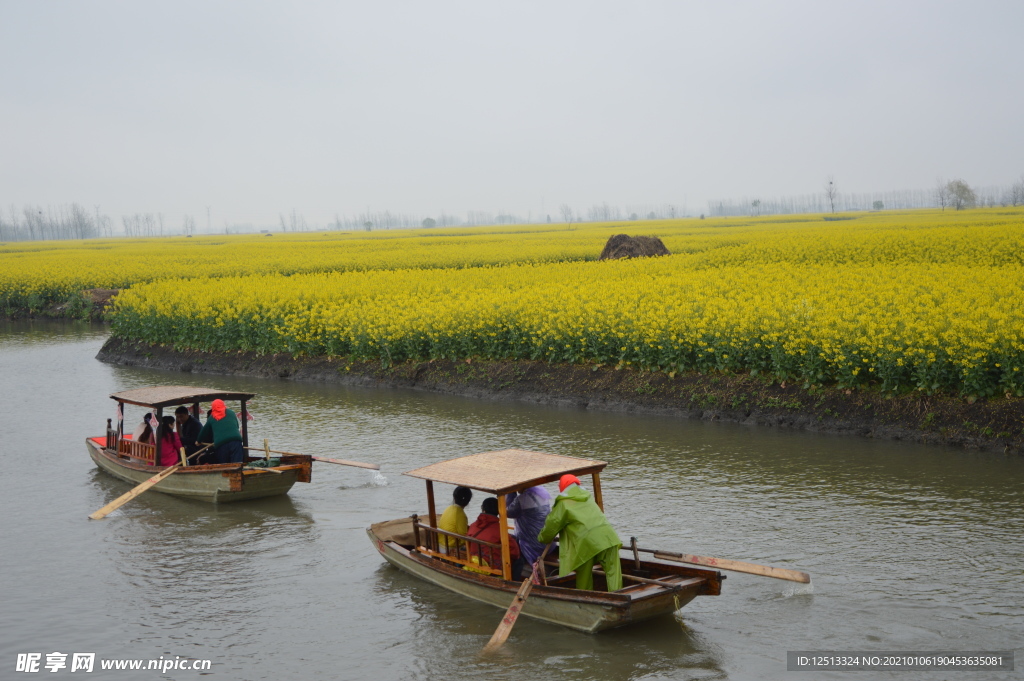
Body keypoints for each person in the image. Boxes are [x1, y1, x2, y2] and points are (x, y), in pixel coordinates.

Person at [537, 474, 622, 592]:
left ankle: (585, 596)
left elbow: (551, 526)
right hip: (608, 537)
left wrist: (542, 538)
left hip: (586, 542)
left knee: (584, 575)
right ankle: (619, 596)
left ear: (562, 487)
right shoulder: (588, 497)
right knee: (613, 573)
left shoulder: (564, 503)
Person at [505, 485, 552, 577]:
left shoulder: (522, 499)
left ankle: (515, 576)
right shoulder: (542, 494)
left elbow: (508, 512)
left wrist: (511, 493)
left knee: (513, 548)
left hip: (530, 543)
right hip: (546, 540)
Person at [467, 497, 520, 573]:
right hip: (494, 568)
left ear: (483, 509)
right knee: (519, 560)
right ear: (499, 511)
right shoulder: (500, 530)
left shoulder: (473, 525)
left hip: (474, 562)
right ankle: (514, 582)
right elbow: (515, 552)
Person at [196, 399, 245, 464]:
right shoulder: (231, 412)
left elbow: (204, 431)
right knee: (237, 464)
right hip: (236, 442)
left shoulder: (212, 417)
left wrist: (198, 441)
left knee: (225, 466)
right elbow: (237, 426)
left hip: (221, 445)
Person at [438, 486, 472, 554]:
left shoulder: (449, 508)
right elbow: (463, 537)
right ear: (468, 501)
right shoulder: (460, 514)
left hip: (441, 545)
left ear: (454, 497)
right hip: (450, 548)